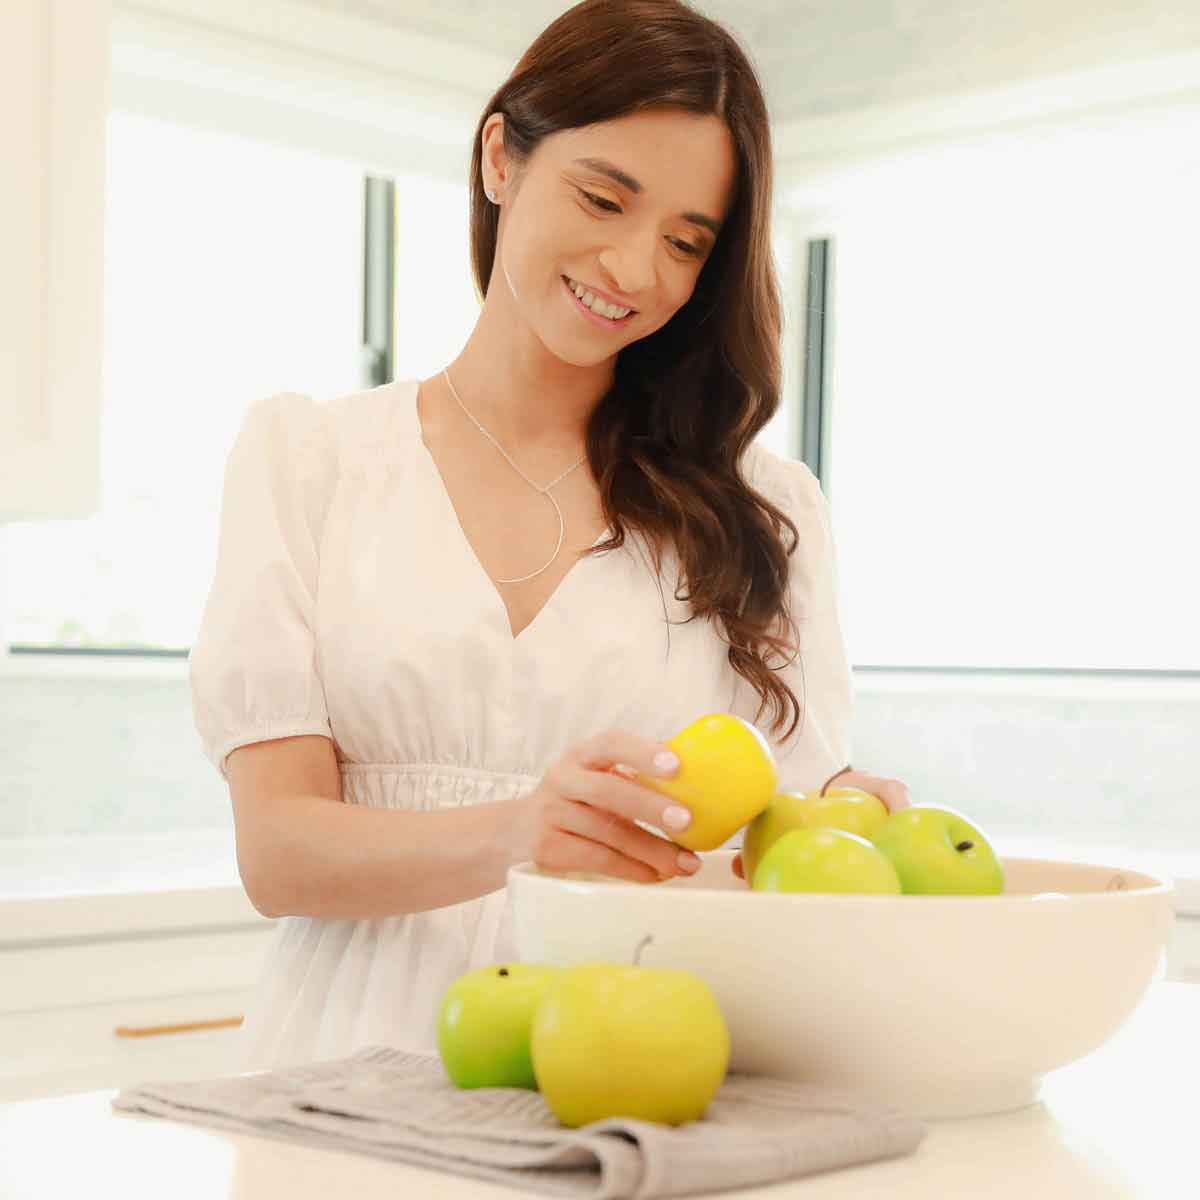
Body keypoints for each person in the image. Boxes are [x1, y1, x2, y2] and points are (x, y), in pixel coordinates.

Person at [189, 0, 910, 1073]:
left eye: (683, 243)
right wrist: (519, 834)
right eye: (603, 197)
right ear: (501, 156)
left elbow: (778, 851)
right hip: (346, 1061)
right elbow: (280, 854)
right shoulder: (310, 461)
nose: (632, 270)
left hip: (635, 1063)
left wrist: (845, 820)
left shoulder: (765, 510)